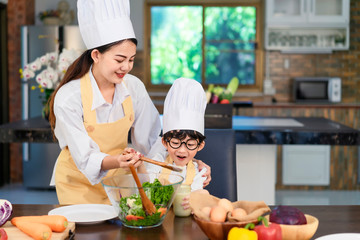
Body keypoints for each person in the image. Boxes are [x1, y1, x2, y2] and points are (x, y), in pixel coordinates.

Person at [48, 0, 210, 205]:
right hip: (77, 183)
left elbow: (152, 141)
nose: (126, 67)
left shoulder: (133, 87)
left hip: (120, 181)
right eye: (119, 59)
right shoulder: (69, 97)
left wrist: (187, 162)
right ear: (96, 55)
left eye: (131, 59)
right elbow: (85, 158)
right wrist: (118, 161)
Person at [149, 78, 210, 212]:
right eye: (175, 143)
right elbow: (147, 189)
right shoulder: (157, 161)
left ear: (200, 146)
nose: (182, 151)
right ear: (164, 142)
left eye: (190, 144)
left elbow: (197, 198)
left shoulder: (199, 172)